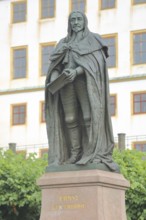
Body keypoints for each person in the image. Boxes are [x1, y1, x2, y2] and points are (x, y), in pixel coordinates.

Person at [45, 11, 117, 171]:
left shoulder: (93, 40)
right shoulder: (63, 43)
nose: (75, 22)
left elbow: (96, 63)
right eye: (72, 20)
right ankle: (74, 154)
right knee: (69, 118)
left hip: (85, 83)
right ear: (69, 23)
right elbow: (55, 66)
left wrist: (76, 71)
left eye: (78, 19)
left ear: (84, 21)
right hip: (65, 85)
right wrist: (55, 78)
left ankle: (91, 151)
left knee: (88, 116)